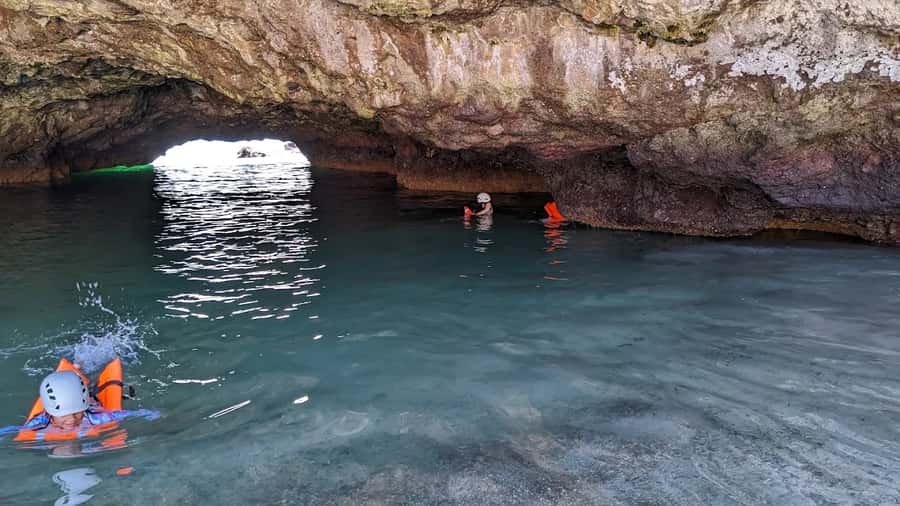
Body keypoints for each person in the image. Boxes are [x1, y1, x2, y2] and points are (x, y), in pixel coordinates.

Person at [0, 370, 158, 440]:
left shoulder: (94, 418)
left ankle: (85, 383)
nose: (71, 420)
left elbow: (119, 415)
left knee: (93, 398)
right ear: (50, 411)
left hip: (89, 402)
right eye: (64, 415)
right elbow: (16, 429)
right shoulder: (42, 421)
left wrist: (147, 413)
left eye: (76, 413)